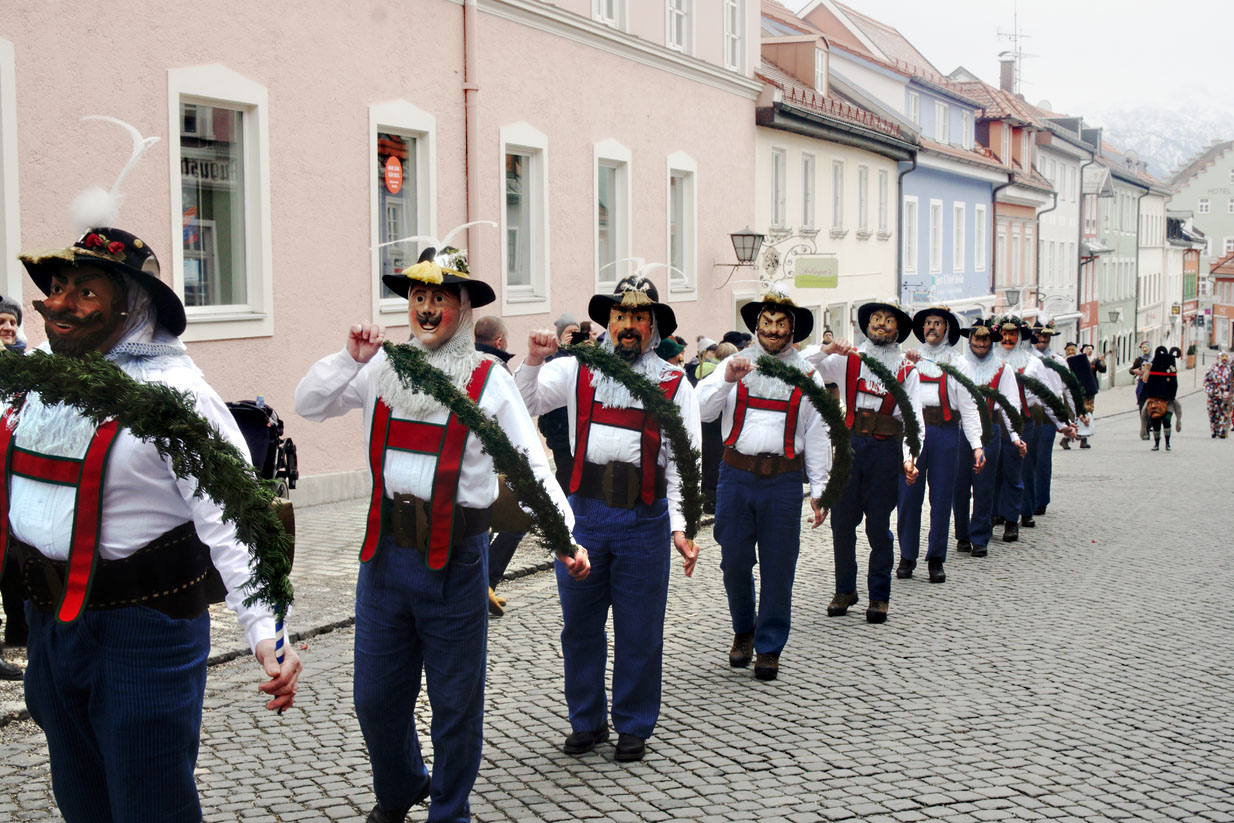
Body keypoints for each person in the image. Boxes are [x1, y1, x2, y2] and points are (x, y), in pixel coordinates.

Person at [10, 226, 301, 819]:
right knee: (80, 800)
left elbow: (237, 522)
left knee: (149, 805)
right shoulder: (31, 380)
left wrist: (267, 632)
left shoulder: (177, 396)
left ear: (133, 305)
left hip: (142, 632)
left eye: (85, 292)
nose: (59, 303)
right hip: (49, 625)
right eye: (58, 286)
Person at [295, 244, 587, 823]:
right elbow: (309, 404)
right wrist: (348, 359)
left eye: (440, 299)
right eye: (418, 297)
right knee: (375, 698)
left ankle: (449, 810)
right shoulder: (381, 367)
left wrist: (564, 535)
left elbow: (529, 462)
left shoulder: (487, 379)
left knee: (455, 704)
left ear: (462, 310)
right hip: (382, 560)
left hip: (454, 561)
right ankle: (402, 785)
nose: (426, 309)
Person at [516, 274, 699, 764]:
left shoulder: (674, 383)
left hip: (644, 518)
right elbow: (527, 402)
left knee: (640, 627)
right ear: (608, 322)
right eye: (620, 316)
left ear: (653, 326)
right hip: (586, 517)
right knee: (579, 626)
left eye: (639, 317)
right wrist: (534, 360)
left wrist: (681, 526)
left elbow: (686, 460)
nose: (628, 326)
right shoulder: (578, 369)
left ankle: (634, 724)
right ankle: (587, 721)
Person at [697, 288, 830, 681]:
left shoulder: (808, 375)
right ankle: (744, 628)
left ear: (792, 330)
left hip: (785, 481)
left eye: (781, 324)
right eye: (767, 324)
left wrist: (821, 489)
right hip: (734, 477)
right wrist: (725, 378)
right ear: (756, 326)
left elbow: (820, 433)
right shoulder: (736, 365)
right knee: (733, 560)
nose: (773, 331)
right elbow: (702, 410)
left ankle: (769, 646)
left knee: (779, 565)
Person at [804, 300, 923, 624]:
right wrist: (828, 348)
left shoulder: (905, 370)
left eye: (888, 320)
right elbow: (802, 365)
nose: (881, 324)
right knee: (842, 523)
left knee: (878, 527)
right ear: (866, 325)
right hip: (850, 446)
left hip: (885, 451)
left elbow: (914, 420)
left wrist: (909, 458)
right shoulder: (849, 360)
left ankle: (879, 596)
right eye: (876, 319)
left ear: (898, 329)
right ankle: (845, 589)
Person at [895, 307, 984, 585]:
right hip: (913, 432)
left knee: (942, 496)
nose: (931, 328)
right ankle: (907, 555)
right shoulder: (907, 359)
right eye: (927, 324)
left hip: (946, 433)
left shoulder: (958, 364)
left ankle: (936, 558)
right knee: (908, 496)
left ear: (947, 330)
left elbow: (969, 408)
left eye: (937, 324)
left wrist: (977, 445)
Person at [952, 318, 1026, 559]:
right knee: (960, 486)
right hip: (960, 429)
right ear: (970, 340)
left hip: (989, 430)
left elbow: (1010, 405)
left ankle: (980, 537)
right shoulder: (958, 364)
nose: (981, 344)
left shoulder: (1002, 368)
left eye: (985, 339)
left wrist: (1015, 436)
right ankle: (962, 534)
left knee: (984, 487)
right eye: (977, 339)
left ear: (991, 341)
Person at [473, 315, 525, 617]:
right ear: (501, 342)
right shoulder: (498, 370)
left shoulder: (466, 364)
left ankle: (484, 582)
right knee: (515, 522)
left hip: (475, 462)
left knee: (486, 524)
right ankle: (485, 582)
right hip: (497, 461)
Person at [1024, 321, 1076, 521]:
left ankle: (1040, 500)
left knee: (1042, 457)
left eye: (1046, 337)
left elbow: (1068, 388)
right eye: (1039, 336)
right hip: (1032, 410)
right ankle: (1025, 498)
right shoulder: (1027, 360)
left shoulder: (1059, 361)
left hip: (1050, 413)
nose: (1042, 340)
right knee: (1028, 457)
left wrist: (1073, 412)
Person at [0, 295, 27, 669]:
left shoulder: (24, 366)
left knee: (15, 557)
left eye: (11, 322)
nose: (7, 328)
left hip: (13, 476)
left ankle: (20, 631)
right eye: (1, 321)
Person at [698, 341, 734, 514]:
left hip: (705, 426)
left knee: (707, 463)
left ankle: (708, 498)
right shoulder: (717, 373)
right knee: (714, 464)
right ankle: (711, 501)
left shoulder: (702, 368)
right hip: (715, 424)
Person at [1142, 347, 1180, 451]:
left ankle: (1167, 443)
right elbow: (1149, 385)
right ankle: (1156, 443)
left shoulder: (1171, 369)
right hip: (1155, 400)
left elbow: (1174, 385)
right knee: (1155, 420)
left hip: (1168, 401)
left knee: (1167, 420)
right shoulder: (1154, 370)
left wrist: (1170, 397)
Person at [1204, 351, 1233, 439]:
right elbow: (1206, 381)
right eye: (1222, 357)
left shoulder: (1231, 369)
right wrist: (1210, 391)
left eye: (1226, 357)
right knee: (1213, 414)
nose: (1224, 359)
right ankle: (1214, 430)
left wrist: (1230, 393)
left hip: (1226, 396)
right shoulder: (1213, 368)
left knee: (1225, 414)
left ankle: (1223, 431)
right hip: (1214, 395)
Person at [1130, 340, 1152, 420]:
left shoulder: (1154, 359)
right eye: (1143, 348)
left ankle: (1151, 422)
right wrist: (1134, 371)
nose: (1145, 349)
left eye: (1146, 347)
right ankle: (1144, 423)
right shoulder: (1139, 360)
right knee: (1142, 406)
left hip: (1152, 386)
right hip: (1142, 386)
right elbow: (1131, 370)